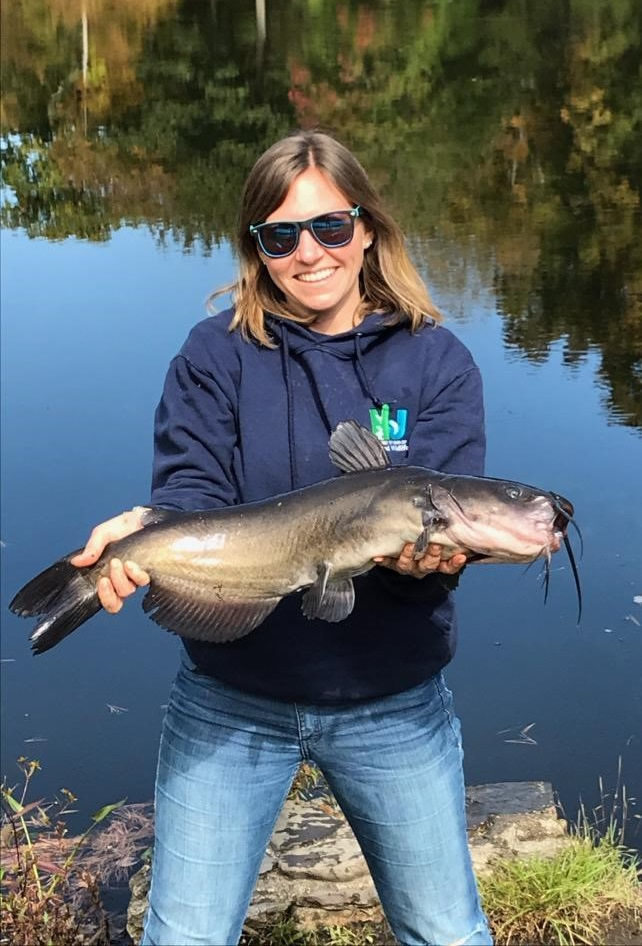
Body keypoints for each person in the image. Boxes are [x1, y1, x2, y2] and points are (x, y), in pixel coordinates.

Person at [71, 130, 492, 946]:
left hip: (391, 700)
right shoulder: (213, 356)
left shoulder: (436, 363)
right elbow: (191, 493)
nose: (310, 253)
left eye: (331, 227)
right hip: (232, 698)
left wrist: (434, 563)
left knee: (447, 932)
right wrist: (148, 534)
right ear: (257, 250)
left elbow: (445, 539)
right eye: (281, 235)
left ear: (367, 228)